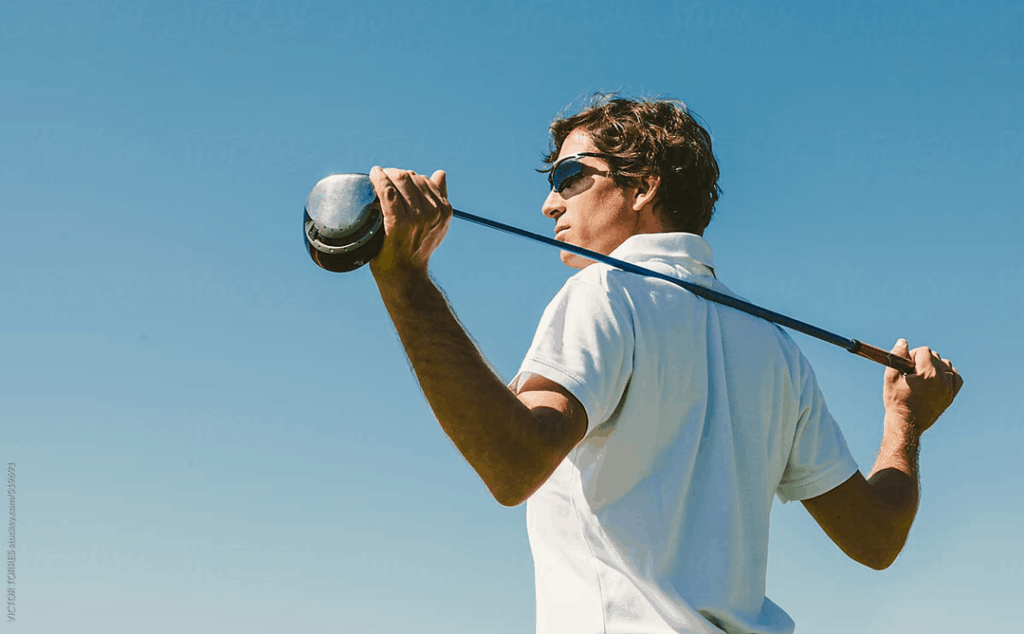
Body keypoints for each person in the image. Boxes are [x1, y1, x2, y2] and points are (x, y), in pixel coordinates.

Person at [364, 95, 964, 634]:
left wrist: (405, 281)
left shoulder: (605, 292)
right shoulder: (779, 350)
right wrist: (905, 422)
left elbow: (513, 464)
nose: (549, 204)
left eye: (569, 177)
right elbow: (875, 537)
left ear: (644, 187)